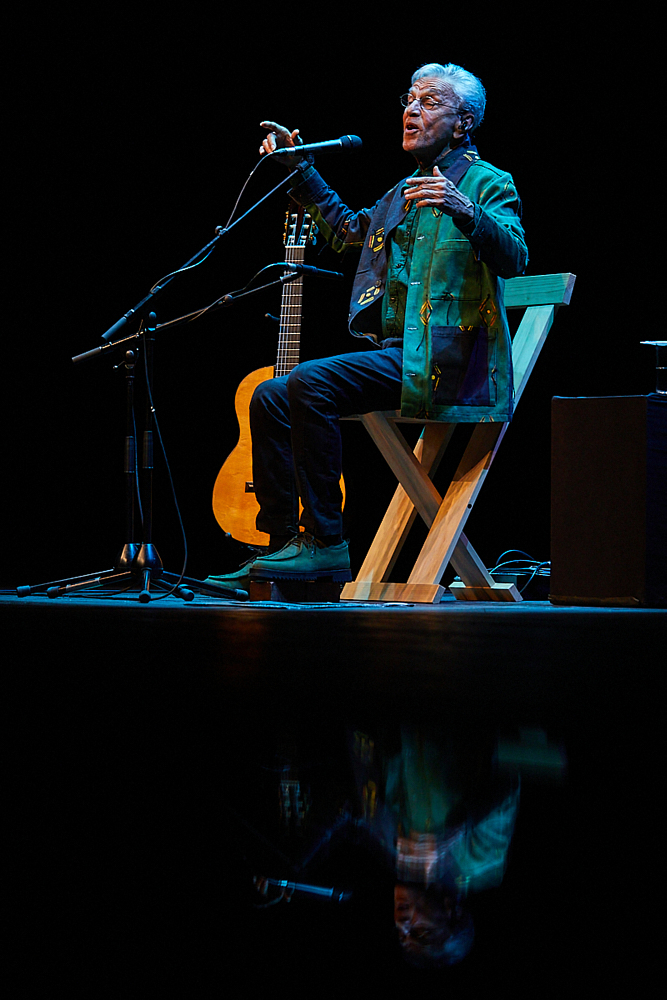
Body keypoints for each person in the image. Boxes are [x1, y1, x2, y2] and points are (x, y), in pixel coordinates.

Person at [210, 62, 528, 585]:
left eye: (429, 102)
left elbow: (515, 257)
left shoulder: (487, 183)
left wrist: (465, 210)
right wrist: (299, 167)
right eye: (409, 99)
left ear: (463, 123)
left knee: (312, 382)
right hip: (401, 356)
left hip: (451, 363)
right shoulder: (404, 190)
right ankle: (288, 542)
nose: (411, 110)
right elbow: (350, 230)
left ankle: (326, 543)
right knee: (268, 395)